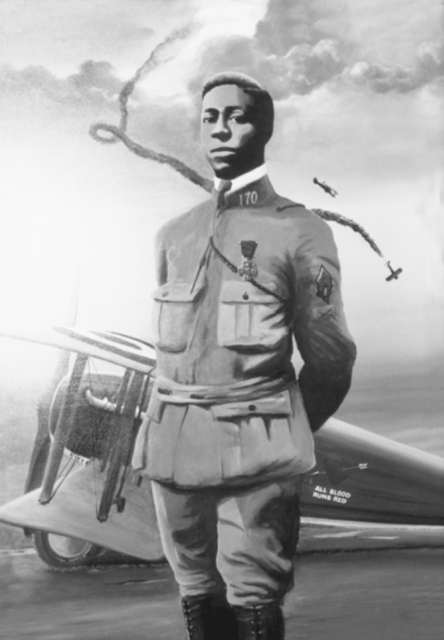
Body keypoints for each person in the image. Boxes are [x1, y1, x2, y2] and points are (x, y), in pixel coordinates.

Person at [132, 72, 357, 640]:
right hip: (172, 451)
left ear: (265, 128)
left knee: (254, 593)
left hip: (257, 452)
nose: (221, 128)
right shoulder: (173, 235)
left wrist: (282, 433)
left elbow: (331, 358)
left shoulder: (301, 232)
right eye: (210, 117)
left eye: (237, 116)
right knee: (195, 590)